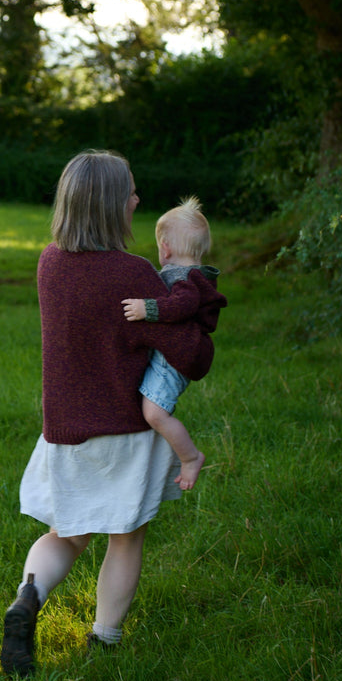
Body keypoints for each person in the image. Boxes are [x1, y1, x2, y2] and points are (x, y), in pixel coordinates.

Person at [0, 151, 227, 678]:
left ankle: (26, 600)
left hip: (64, 430)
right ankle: (104, 641)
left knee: (66, 534)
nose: (137, 200)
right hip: (125, 430)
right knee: (125, 537)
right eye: (130, 192)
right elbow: (190, 356)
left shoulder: (49, 262)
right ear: (109, 205)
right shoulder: (133, 273)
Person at [122, 196, 225, 492]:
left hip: (173, 360)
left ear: (165, 249)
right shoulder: (189, 274)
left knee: (154, 414)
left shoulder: (188, 279)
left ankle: (190, 457)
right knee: (150, 410)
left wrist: (147, 309)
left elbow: (182, 306)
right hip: (170, 355)